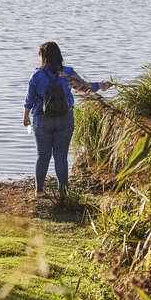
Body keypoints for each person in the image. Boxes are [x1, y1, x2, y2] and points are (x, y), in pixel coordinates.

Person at [23, 41, 111, 197]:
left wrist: (25, 117)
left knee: (42, 156)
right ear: (59, 55)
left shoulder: (36, 75)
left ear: (43, 56)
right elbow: (84, 88)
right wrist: (101, 85)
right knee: (61, 156)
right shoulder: (68, 72)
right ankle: (63, 191)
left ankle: (39, 191)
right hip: (65, 118)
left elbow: (29, 99)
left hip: (42, 119)